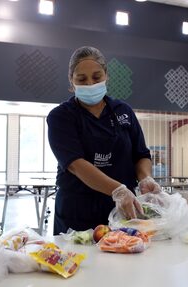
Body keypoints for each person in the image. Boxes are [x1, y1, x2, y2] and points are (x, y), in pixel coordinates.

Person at [47, 46, 161, 235]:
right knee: (80, 261)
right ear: (71, 81)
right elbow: (76, 164)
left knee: (124, 259)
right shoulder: (61, 117)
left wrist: (145, 177)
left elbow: (141, 154)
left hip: (123, 209)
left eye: (97, 77)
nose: (90, 83)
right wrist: (118, 190)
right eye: (81, 79)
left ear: (106, 76)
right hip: (78, 210)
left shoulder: (123, 111)